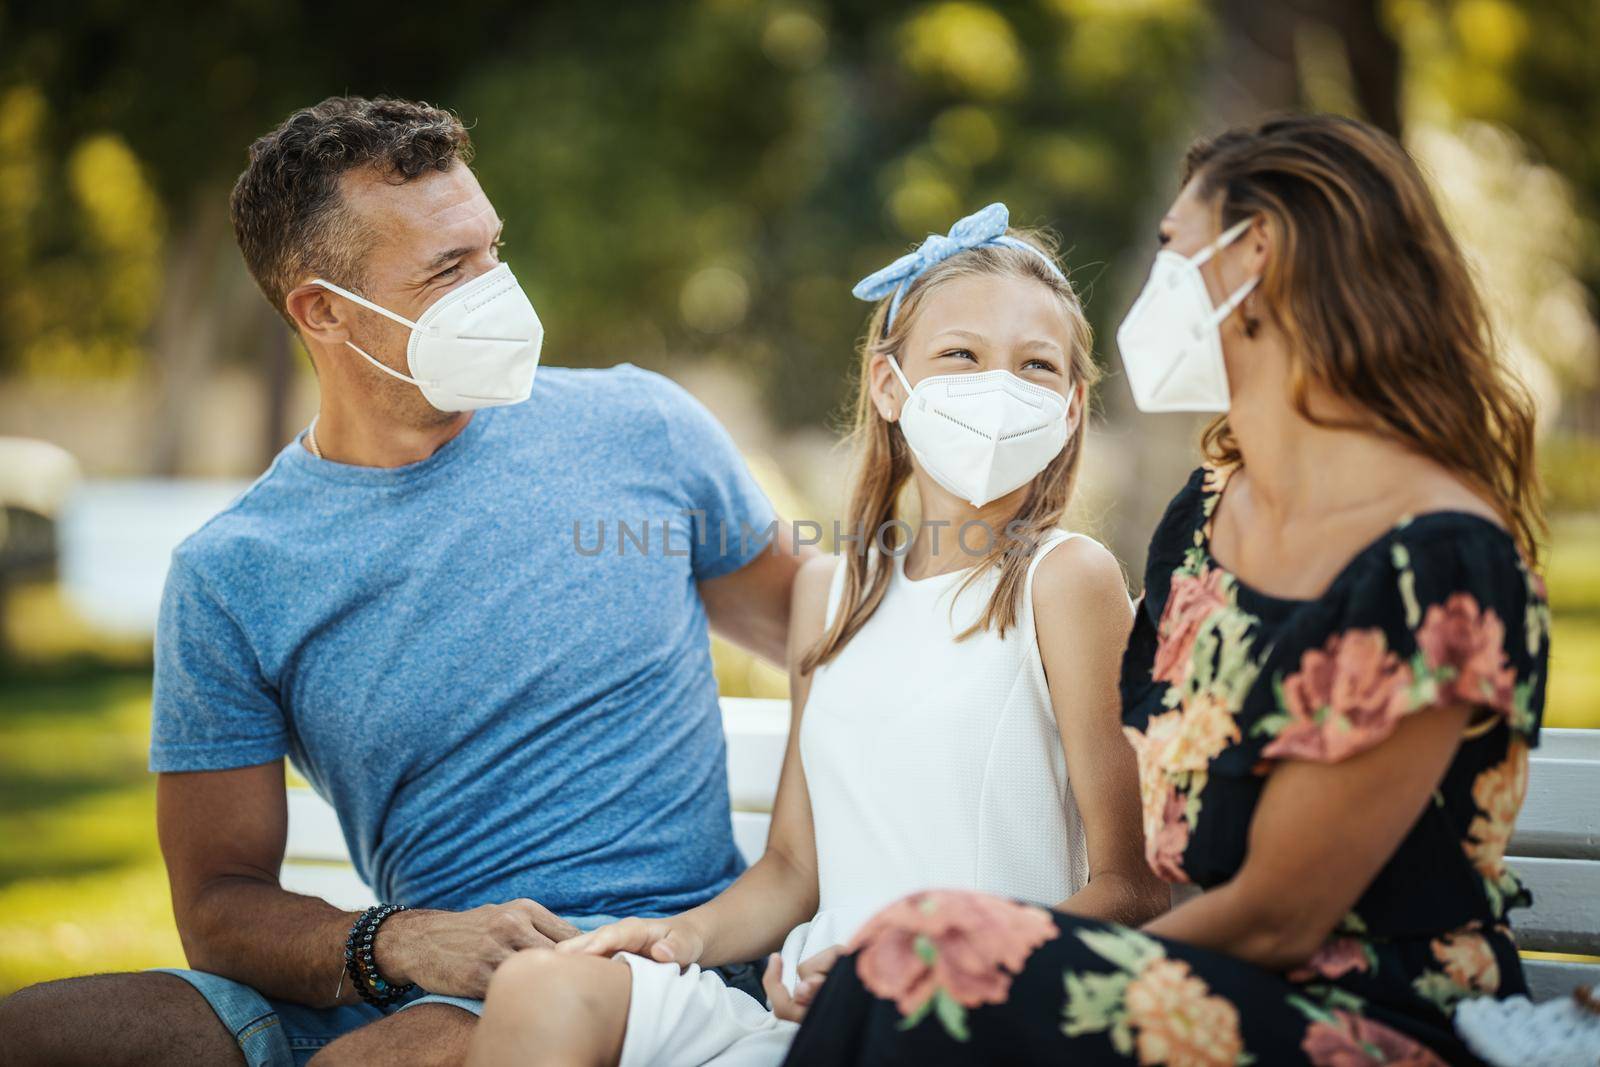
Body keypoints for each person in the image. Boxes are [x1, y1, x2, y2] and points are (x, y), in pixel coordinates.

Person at [0, 96, 808, 1067]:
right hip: (402, 989)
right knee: (42, 1031)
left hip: (658, 979)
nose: (497, 290)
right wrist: (405, 940)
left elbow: (829, 629)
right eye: (448, 269)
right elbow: (218, 908)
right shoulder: (232, 575)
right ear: (323, 312)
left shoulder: (641, 428)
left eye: (491, 250)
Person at [781, 114, 1550, 1066]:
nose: (1151, 290)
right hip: (1188, 986)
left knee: (924, 959)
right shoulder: (1204, 522)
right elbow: (1145, 824)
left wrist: (999, 957)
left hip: (1371, 1015)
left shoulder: (1436, 560)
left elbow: (1278, 918)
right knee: (909, 967)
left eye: (1174, 250)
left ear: (1255, 257)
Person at [463, 203, 1171, 1067]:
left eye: (1036, 365)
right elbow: (794, 867)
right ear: (887, 383)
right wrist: (677, 937)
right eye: (961, 355)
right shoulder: (829, 590)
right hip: (806, 1017)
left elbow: (1133, 890)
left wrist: (918, 960)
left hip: (971, 1020)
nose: (1000, 386)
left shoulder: (1067, 579)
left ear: (1068, 407)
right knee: (544, 987)